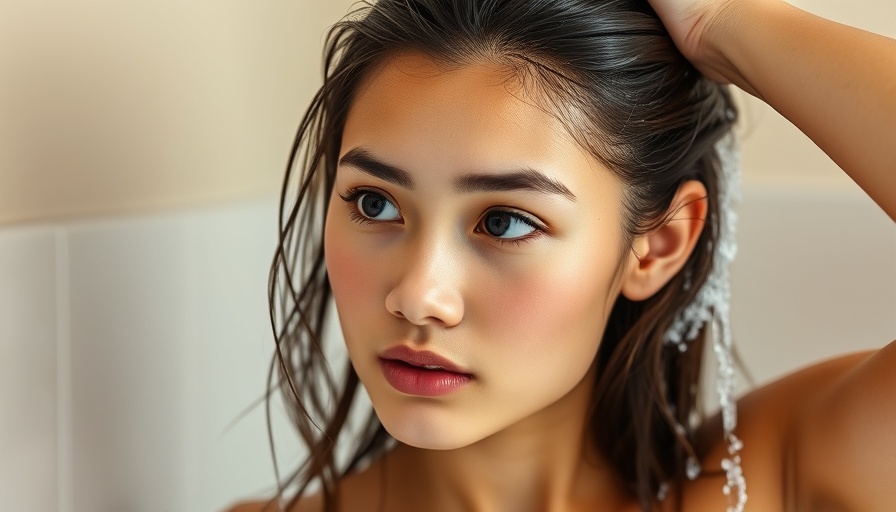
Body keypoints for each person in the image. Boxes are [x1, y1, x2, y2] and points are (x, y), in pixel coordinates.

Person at [229, 0, 896, 510]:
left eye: (505, 221)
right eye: (374, 204)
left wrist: (724, 21)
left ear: (657, 246)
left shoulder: (773, 480)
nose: (416, 293)